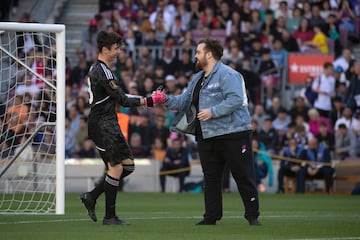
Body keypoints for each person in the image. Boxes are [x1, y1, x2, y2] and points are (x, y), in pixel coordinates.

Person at [162, 38, 260, 226]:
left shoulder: (228, 74)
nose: (195, 56)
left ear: (209, 54)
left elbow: (236, 99)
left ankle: (252, 215)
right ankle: (211, 216)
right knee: (211, 178)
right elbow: (183, 101)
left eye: (198, 52)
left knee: (242, 175)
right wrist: (163, 99)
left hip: (233, 133)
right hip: (207, 135)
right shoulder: (198, 78)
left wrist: (212, 112)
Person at [80, 31, 167, 225]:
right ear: (105, 49)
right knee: (117, 167)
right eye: (116, 48)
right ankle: (110, 217)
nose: (119, 51)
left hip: (109, 122)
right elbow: (123, 99)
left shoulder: (103, 69)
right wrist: (150, 100)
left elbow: (119, 97)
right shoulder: (102, 71)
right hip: (102, 124)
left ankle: (92, 195)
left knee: (127, 166)